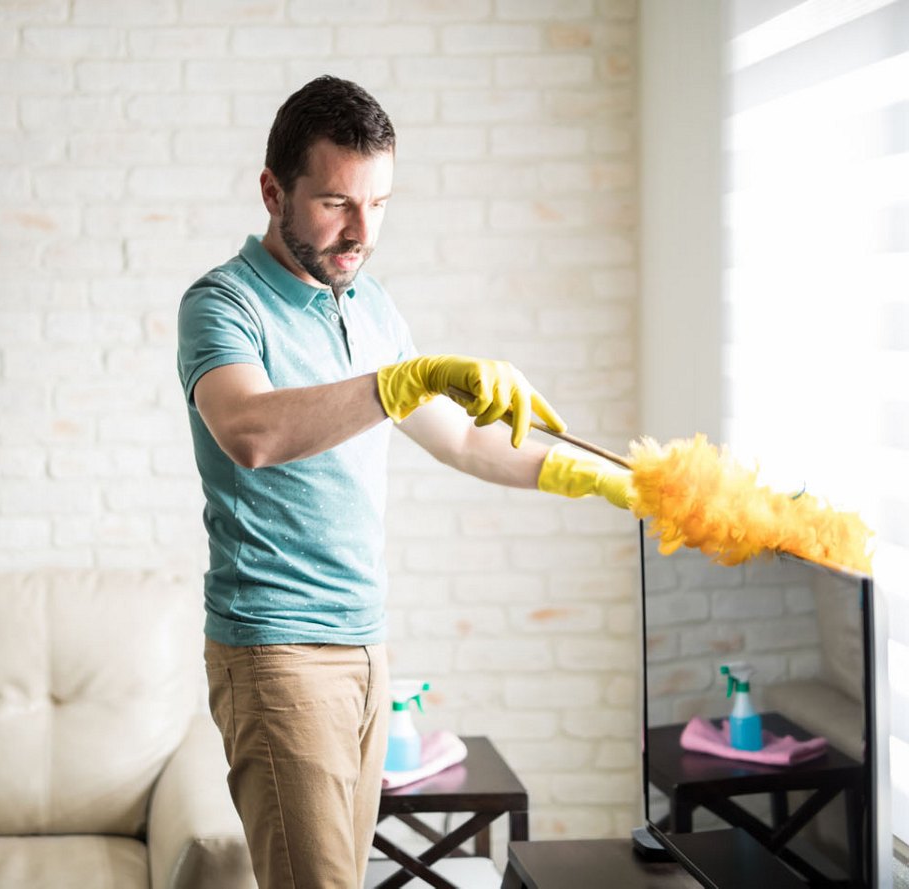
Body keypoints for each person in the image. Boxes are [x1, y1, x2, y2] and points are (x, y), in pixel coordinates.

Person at [176, 75, 631, 889]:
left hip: (365, 643)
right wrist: (402, 381)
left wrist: (596, 477)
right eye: (336, 203)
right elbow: (250, 431)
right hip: (276, 651)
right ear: (273, 190)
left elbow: (460, 440)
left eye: (379, 204)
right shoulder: (223, 304)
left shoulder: (370, 306)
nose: (361, 231)